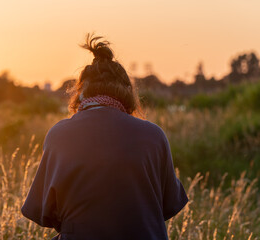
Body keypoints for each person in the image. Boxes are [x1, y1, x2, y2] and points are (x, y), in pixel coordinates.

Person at [21, 34, 188, 240]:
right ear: (128, 94)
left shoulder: (60, 134)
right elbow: (168, 205)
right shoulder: (154, 135)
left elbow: (44, 212)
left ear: (81, 93)